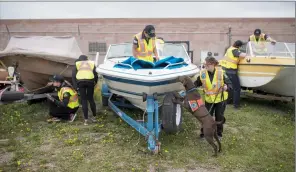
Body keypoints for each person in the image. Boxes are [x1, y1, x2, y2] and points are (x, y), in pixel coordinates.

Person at [194, 56, 232, 140]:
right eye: (205, 64)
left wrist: (226, 87)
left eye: (208, 64)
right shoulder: (202, 73)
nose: (206, 66)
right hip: (209, 100)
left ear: (213, 64)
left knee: (219, 117)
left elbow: (230, 84)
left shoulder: (221, 72)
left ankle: (219, 134)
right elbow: (196, 83)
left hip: (220, 100)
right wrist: (190, 88)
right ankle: (204, 133)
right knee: (206, 118)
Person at [219, 40, 248, 109]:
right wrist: (248, 54)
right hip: (231, 71)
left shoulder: (229, 49)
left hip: (226, 70)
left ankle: (227, 101)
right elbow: (243, 55)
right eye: (241, 46)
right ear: (238, 46)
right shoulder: (234, 50)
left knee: (230, 87)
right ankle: (236, 105)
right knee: (237, 88)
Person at [72, 55, 98, 125]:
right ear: (87, 59)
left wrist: (76, 87)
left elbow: (74, 76)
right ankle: (94, 117)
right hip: (90, 82)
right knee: (90, 99)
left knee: (84, 100)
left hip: (80, 82)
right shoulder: (91, 64)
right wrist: (95, 82)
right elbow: (95, 74)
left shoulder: (77, 64)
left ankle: (86, 120)